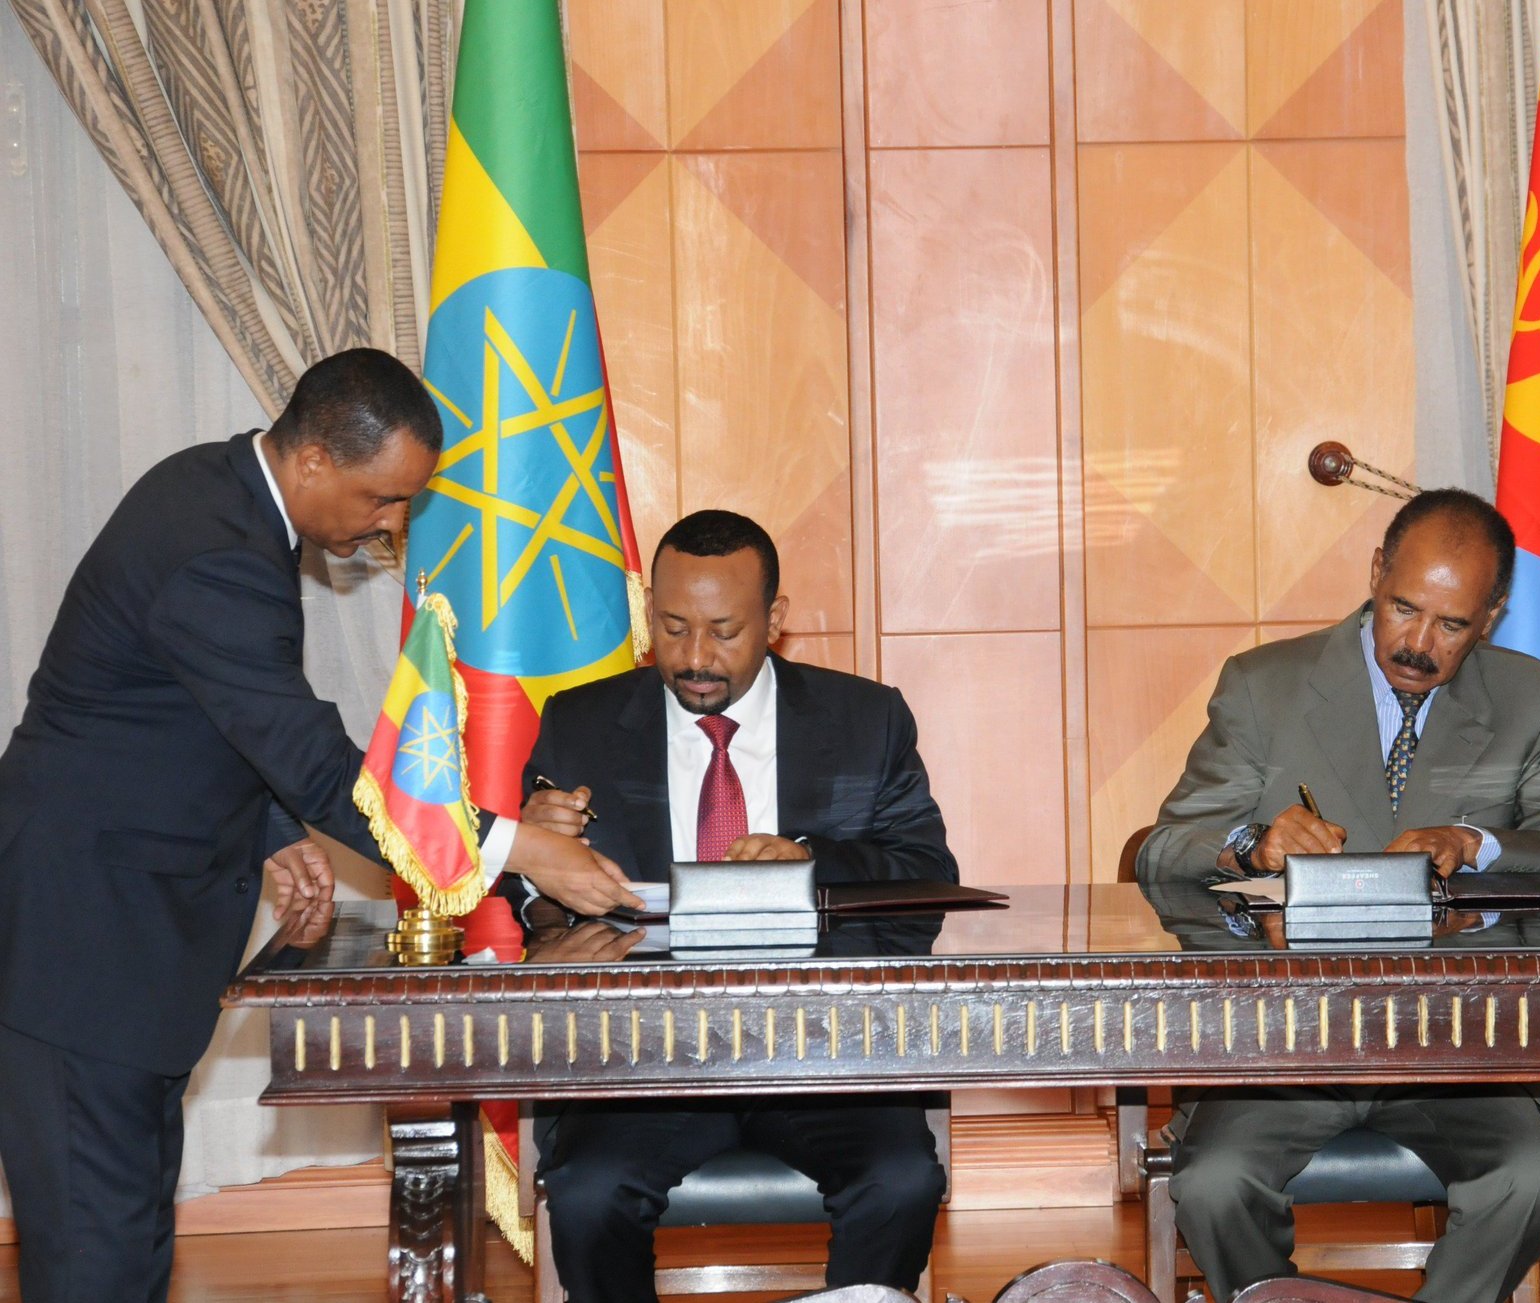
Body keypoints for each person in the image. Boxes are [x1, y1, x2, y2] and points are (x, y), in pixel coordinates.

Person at [0, 348, 638, 1303]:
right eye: (384, 499)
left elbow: (186, 710)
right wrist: (517, 845)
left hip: (119, 942)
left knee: (128, 1235)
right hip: (87, 942)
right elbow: (312, 757)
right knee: (96, 1255)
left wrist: (268, 830)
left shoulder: (223, 499)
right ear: (312, 464)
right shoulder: (217, 545)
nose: (393, 525)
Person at [1138, 489, 1540, 1303]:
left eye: (1451, 625)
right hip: (1287, 1039)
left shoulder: (1534, 700)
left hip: (1460, 1040)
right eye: (1402, 608)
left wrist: (1480, 844)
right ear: (1376, 571)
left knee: (1532, 1182)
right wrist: (1250, 843)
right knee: (1213, 1185)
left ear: (1491, 616)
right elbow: (1166, 850)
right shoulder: (1264, 686)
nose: (1418, 644)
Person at [515, 509, 955, 1301]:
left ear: (775, 621)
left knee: (899, 1179)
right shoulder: (581, 724)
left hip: (824, 1048)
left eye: (723, 630)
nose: (693, 658)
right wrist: (538, 860)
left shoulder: (866, 720)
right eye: (672, 627)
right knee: (587, 1191)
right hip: (647, 1053)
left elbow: (924, 877)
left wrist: (813, 863)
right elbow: (540, 911)